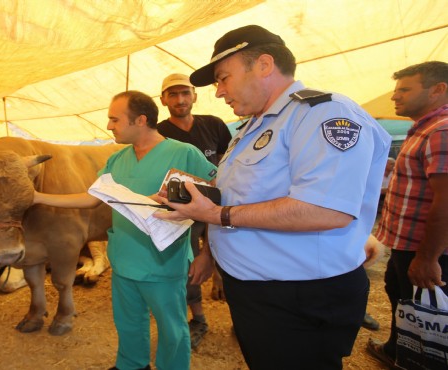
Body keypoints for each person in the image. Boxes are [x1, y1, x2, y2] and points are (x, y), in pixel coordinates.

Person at [154, 25, 392, 369]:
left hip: (298, 295)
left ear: (264, 65)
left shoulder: (322, 113)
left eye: (223, 78)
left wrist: (217, 215)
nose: (219, 92)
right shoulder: (252, 127)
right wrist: (193, 202)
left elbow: (325, 210)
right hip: (259, 291)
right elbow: (238, 192)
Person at [33, 90, 217, 370]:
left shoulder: (184, 153)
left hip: (162, 263)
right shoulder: (118, 160)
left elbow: (216, 195)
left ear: (140, 120)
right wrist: (37, 197)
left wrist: (207, 251)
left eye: (114, 119)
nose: (109, 126)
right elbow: (91, 197)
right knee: (129, 322)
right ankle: (132, 365)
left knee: (172, 329)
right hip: (124, 261)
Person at [366, 61, 448, 368]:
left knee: (426, 310)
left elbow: (445, 200)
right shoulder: (424, 129)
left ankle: (418, 359)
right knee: (403, 298)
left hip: (426, 249)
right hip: (407, 245)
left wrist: (428, 258)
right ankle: (397, 351)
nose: (395, 97)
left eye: (404, 89)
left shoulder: (442, 130)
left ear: (438, 90)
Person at [157, 73, 232, 349]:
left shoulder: (214, 125)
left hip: (219, 206)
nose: (180, 99)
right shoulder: (158, 133)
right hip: (183, 212)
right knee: (188, 265)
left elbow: (227, 160)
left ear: (194, 96)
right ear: (163, 99)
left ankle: (240, 317)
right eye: (173, 94)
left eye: (185, 93)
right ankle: (199, 318)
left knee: (231, 255)